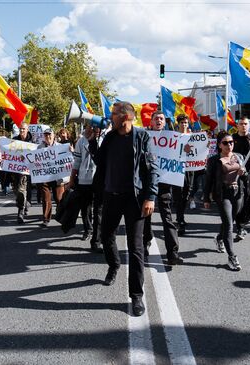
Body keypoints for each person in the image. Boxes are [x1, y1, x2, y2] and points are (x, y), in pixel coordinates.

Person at [89, 101, 158, 317]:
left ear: (126, 116)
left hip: (135, 199)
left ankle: (136, 296)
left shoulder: (142, 137)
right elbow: (99, 161)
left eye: (114, 114)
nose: (111, 117)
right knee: (106, 235)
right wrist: (92, 141)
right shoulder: (109, 137)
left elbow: (152, 169)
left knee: (135, 247)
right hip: (111, 196)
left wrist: (150, 196)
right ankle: (114, 264)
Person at [143, 111, 184, 265]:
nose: (159, 121)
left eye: (161, 119)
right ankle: (145, 246)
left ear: (164, 122)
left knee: (167, 218)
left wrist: (185, 151)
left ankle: (172, 253)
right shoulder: (145, 136)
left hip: (164, 184)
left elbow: (182, 154)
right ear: (151, 122)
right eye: (156, 119)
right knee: (145, 217)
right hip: (147, 184)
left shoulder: (173, 137)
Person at [203, 132, 244, 271]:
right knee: (228, 223)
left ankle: (219, 238)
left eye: (231, 142)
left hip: (237, 193)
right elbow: (208, 180)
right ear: (219, 145)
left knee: (230, 221)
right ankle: (232, 257)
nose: (229, 145)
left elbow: (248, 175)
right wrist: (206, 198)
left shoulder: (239, 157)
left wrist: (244, 173)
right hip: (222, 194)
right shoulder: (214, 160)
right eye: (225, 143)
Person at [67, 123, 102, 250]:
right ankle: (88, 229)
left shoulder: (104, 139)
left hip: (99, 180)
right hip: (83, 180)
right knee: (85, 208)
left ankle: (97, 236)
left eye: (97, 127)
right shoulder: (81, 141)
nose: (95, 129)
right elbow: (76, 162)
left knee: (99, 210)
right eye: (92, 127)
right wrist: (72, 179)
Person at [231, 116, 250, 240]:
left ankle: (241, 225)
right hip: (234, 174)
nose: (243, 126)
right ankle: (238, 226)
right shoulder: (232, 139)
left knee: (248, 199)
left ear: (249, 125)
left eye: (245, 124)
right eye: (241, 123)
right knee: (237, 199)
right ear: (237, 125)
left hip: (249, 174)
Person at [37, 128, 66, 227]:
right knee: (46, 198)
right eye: (45, 135)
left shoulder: (60, 147)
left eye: (49, 134)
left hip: (57, 176)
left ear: (54, 136)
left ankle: (62, 217)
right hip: (44, 177)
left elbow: (66, 160)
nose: (47, 136)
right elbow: (35, 162)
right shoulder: (40, 147)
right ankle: (46, 219)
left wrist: (71, 151)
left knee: (59, 198)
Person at [12, 122, 33, 223]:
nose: (21, 131)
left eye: (24, 129)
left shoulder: (32, 141)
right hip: (15, 171)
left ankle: (20, 212)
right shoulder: (14, 140)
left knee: (22, 191)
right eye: (20, 129)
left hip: (27, 172)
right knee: (17, 191)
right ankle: (25, 203)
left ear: (27, 130)